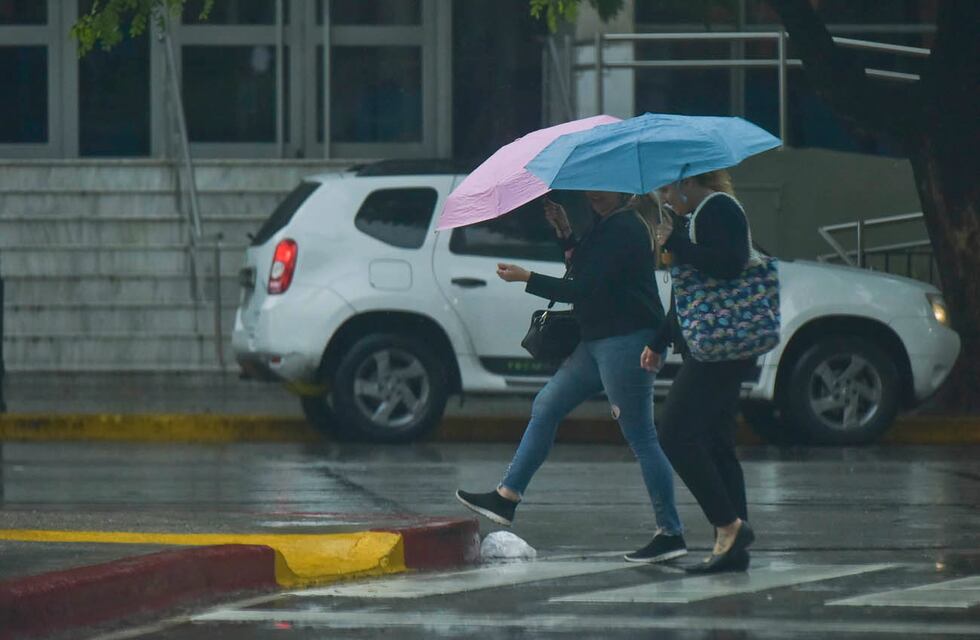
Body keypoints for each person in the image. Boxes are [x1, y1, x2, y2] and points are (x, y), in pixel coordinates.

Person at [457, 191, 687, 564]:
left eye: (600, 187)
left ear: (619, 191)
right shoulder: (606, 225)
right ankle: (507, 496)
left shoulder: (626, 227)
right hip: (596, 340)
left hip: (625, 341)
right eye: (590, 187)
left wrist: (526, 277)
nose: (591, 194)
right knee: (547, 404)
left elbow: (582, 288)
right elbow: (582, 269)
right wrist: (565, 233)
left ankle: (671, 532)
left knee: (642, 436)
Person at [642, 169, 757, 573]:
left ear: (688, 182)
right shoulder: (697, 218)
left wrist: (676, 244)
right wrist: (659, 341)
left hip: (719, 349)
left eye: (667, 189)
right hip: (717, 346)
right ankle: (733, 548)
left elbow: (729, 264)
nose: (665, 199)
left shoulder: (718, 209)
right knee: (716, 443)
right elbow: (690, 291)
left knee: (674, 433)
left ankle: (728, 526)